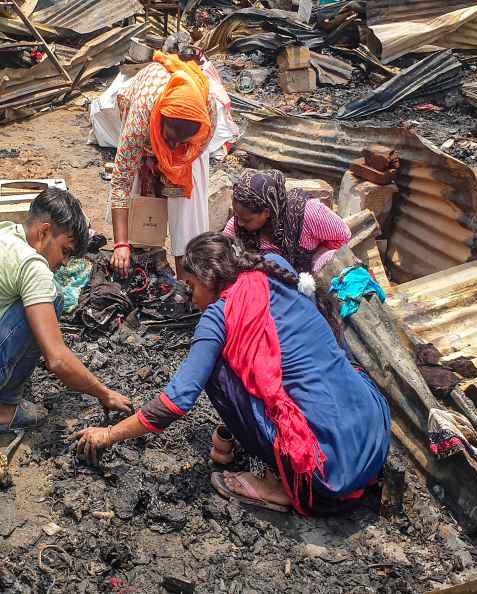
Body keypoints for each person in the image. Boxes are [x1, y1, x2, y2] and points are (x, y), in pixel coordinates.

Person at [75, 233, 390, 515]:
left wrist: (110, 434)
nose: (189, 297)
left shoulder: (217, 317)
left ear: (210, 279)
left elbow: (177, 402)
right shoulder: (274, 265)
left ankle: (273, 484)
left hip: (328, 472)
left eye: (191, 286)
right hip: (373, 434)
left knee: (218, 372)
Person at [0, 188, 132, 434]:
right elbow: (57, 360)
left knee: (34, 302)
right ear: (45, 231)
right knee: (53, 298)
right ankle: (3, 410)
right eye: (65, 251)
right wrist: (104, 393)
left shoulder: (2, 232)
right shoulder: (32, 266)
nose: (65, 262)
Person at [109, 47, 216, 281]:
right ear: (160, 121)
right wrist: (120, 244)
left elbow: (188, 148)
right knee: (142, 198)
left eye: (181, 142)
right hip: (145, 118)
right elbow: (120, 182)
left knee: (185, 206)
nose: (173, 146)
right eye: (169, 139)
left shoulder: (207, 116)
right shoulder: (141, 118)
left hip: (185, 148)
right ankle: (140, 257)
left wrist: (172, 169)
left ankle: (188, 276)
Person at [223, 169, 351, 274]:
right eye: (236, 215)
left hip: (309, 277)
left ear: (267, 212)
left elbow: (343, 235)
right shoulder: (236, 227)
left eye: (246, 219)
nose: (239, 223)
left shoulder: (307, 213)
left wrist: (317, 256)